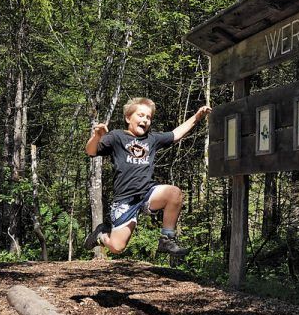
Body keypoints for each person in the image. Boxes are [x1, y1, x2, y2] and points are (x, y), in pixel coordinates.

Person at [84, 97, 211, 256]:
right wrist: (97, 136)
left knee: (174, 193)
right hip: (125, 200)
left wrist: (197, 117)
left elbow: (176, 134)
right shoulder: (117, 137)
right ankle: (101, 235)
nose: (145, 120)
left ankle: (166, 239)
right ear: (128, 118)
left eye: (148, 117)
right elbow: (91, 151)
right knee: (117, 247)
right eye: (140, 115)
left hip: (147, 193)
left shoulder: (152, 139)